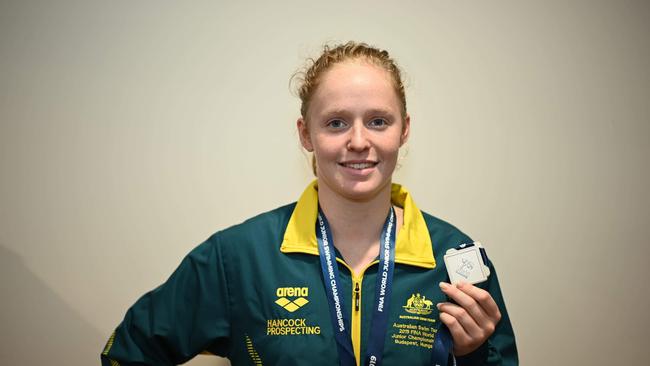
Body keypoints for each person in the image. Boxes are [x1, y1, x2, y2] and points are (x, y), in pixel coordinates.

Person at [101, 41, 518, 366]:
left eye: (378, 121)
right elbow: (130, 350)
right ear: (306, 135)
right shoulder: (238, 259)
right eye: (336, 123)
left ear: (403, 130)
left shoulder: (456, 261)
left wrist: (474, 355)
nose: (359, 141)